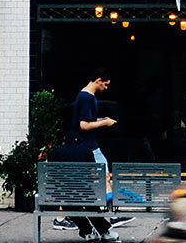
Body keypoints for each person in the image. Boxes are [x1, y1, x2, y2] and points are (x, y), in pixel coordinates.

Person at [60, 68, 123, 241]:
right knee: (104, 179)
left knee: (97, 185)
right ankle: (113, 216)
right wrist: (105, 123)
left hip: (84, 147)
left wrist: (102, 120)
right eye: (106, 84)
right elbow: (84, 125)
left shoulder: (84, 97)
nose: (106, 88)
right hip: (89, 147)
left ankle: (98, 226)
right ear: (98, 80)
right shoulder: (87, 98)